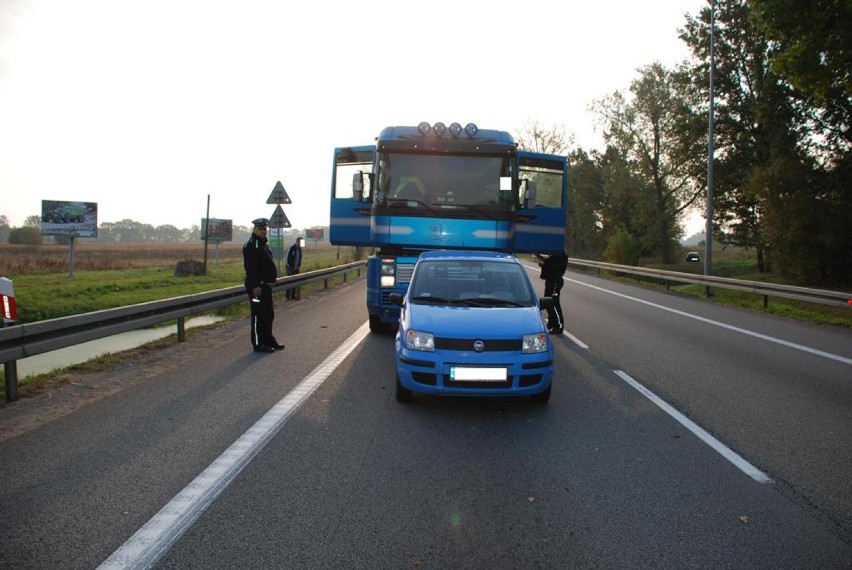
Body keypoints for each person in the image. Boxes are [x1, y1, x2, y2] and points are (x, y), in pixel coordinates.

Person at [243, 218, 284, 353]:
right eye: (260, 229)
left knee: (268, 315)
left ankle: (268, 341)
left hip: (265, 286)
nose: (263, 231)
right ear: (254, 230)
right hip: (257, 287)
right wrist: (255, 286)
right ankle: (258, 343)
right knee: (258, 316)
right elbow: (251, 267)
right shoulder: (252, 245)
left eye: (265, 229)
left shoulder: (262, 244)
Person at [536, 249, 568, 334]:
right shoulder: (557, 253)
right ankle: (551, 323)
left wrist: (542, 261)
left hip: (555, 281)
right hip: (552, 280)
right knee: (548, 302)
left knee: (554, 303)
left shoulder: (560, 253)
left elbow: (554, 265)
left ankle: (558, 326)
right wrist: (543, 264)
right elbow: (551, 263)